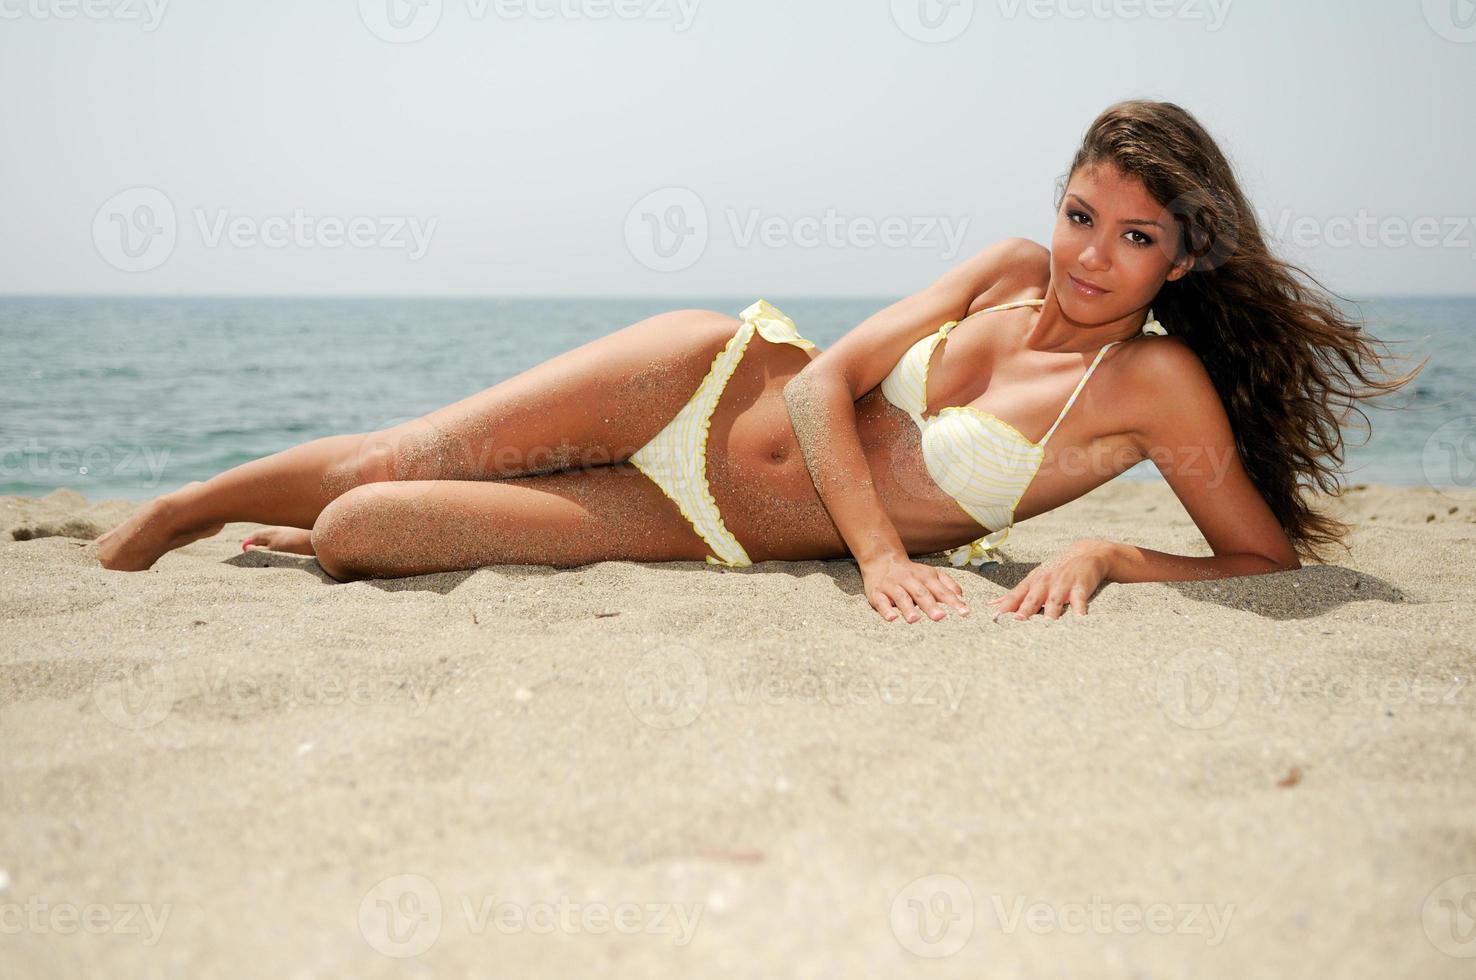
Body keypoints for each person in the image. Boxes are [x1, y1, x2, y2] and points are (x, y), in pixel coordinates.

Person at [94, 100, 1422, 624]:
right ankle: (181, 508)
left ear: (1180, 263)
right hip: (702, 378)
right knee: (409, 450)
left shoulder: (1155, 386)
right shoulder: (1008, 264)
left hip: (713, 531)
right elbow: (813, 383)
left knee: (366, 526)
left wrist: (1110, 555)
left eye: (1134, 239)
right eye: (1085, 214)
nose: (1089, 256)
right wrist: (888, 559)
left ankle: (274, 519)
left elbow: (1268, 566)